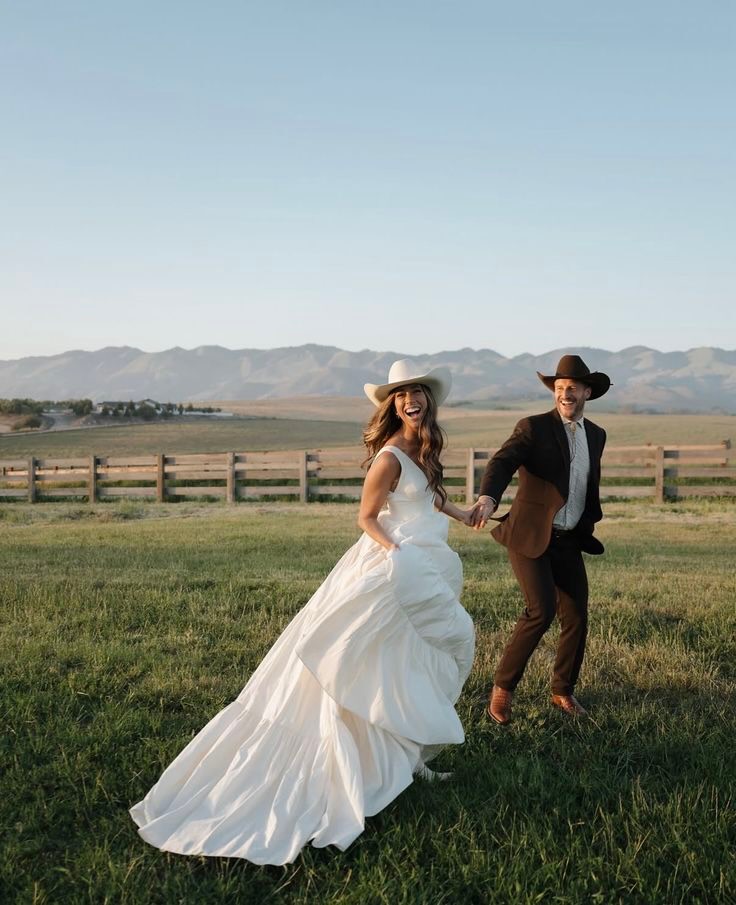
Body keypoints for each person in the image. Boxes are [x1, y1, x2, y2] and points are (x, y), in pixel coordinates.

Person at [130, 359, 476, 865]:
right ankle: (354, 762)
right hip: (394, 568)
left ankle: (402, 756)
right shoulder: (388, 456)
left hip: (424, 566)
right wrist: (397, 554)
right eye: (400, 395)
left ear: (427, 398)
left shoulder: (424, 447)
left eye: (416, 392)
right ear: (392, 405)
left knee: (404, 660)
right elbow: (366, 517)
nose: (410, 401)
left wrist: (464, 513)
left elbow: (429, 497)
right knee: (365, 662)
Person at [472, 354, 610, 724]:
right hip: (529, 534)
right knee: (541, 610)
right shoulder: (533, 427)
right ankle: (503, 689)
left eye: (572, 388)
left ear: (587, 392)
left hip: (568, 538)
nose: (565, 394)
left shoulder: (596, 435)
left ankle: (562, 691)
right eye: (560, 388)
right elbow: (502, 462)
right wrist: (488, 497)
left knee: (576, 614)